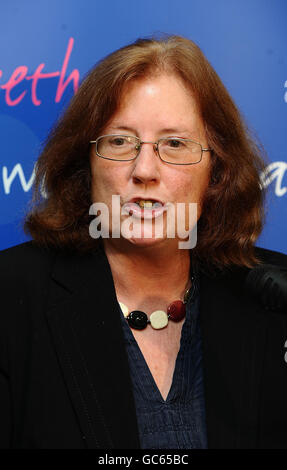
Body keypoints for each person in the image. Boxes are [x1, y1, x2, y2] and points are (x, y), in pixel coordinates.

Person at [0, 35, 287, 450]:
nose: (144, 169)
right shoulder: (10, 299)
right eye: (120, 142)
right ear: (86, 167)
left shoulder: (273, 298)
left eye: (174, 143)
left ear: (217, 174)